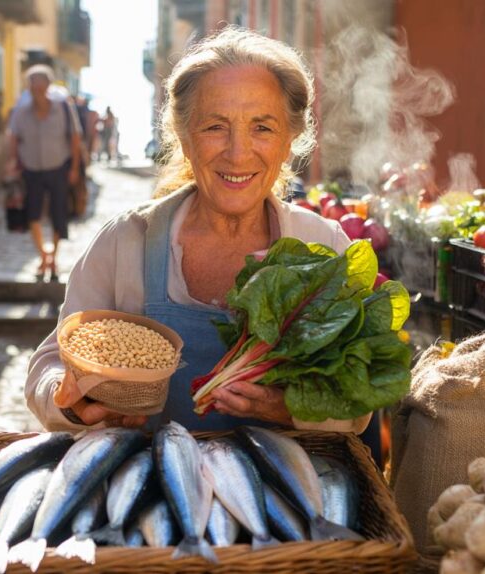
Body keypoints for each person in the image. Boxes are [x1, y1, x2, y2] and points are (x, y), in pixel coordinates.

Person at [24, 28, 372, 436]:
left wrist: (293, 409)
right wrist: (70, 402)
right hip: (148, 487)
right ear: (185, 138)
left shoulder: (325, 247)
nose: (238, 152)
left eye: (262, 127)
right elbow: (49, 366)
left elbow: (360, 406)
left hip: (281, 491)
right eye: (215, 127)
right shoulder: (126, 241)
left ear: (290, 139)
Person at [6, 65, 82, 282]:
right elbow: (13, 137)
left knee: (59, 214)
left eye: (39, 84)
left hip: (58, 166)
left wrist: (75, 167)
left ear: (48, 85)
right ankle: (43, 255)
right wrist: (13, 161)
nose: (35, 88)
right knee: (33, 213)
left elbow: (75, 138)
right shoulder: (21, 111)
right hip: (30, 168)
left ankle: (54, 257)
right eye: (32, 84)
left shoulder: (63, 108)